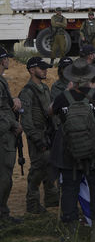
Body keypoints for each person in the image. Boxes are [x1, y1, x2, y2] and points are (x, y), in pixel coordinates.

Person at [50, 59, 95, 242]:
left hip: (68, 153)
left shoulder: (63, 97)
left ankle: (71, 232)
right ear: (90, 77)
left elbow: (51, 111)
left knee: (69, 190)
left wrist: (67, 92)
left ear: (72, 78)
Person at [19, 56, 57, 214]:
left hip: (47, 134)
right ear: (32, 70)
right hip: (38, 135)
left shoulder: (45, 88)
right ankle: (33, 204)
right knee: (37, 170)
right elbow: (26, 121)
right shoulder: (27, 92)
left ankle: (51, 199)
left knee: (49, 168)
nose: (45, 70)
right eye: (42, 68)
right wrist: (37, 139)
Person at [0, 47, 23, 226]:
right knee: (4, 176)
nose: (8, 60)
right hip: (3, 134)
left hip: (6, 131)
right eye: (6, 58)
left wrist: (13, 99)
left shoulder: (2, 81)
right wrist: (15, 125)